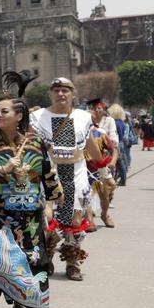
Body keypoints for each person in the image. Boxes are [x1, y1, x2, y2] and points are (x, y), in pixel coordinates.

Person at [0, 97, 62, 308]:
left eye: (4, 111)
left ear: (19, 115)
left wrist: (49, 204)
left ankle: (19, 306)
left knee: (28, 259)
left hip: (30, 213)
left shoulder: (35, 140)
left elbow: (48, 172)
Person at [30, 78, 101, 281]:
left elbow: (89, 143)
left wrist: (104, 163)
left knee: (75, 219)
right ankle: (48, 257)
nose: (61, 94)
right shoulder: (36, 117)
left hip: (77, 173)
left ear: (73, 94)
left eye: (65, 90)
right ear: (51, 94)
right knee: (48, 219)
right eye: (57, 90)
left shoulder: (83, 117)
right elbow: (31, 146)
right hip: (49, 173)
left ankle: (72, 262)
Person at [85, 99, 117, 229]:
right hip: (83, 168)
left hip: (100, 167)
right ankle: (89, 220)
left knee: (104, 194)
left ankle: (104, 214)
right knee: (85, 194)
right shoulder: (78, 133)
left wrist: (113, 162)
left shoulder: (101, 133)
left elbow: (114, 149)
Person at [110, 105, 135, 186]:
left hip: (116, 143)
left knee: (117, 162)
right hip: (121, 142)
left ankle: (122, 180)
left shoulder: (114, 122)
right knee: (121, 163)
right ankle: (123, 179)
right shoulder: (122, 122)